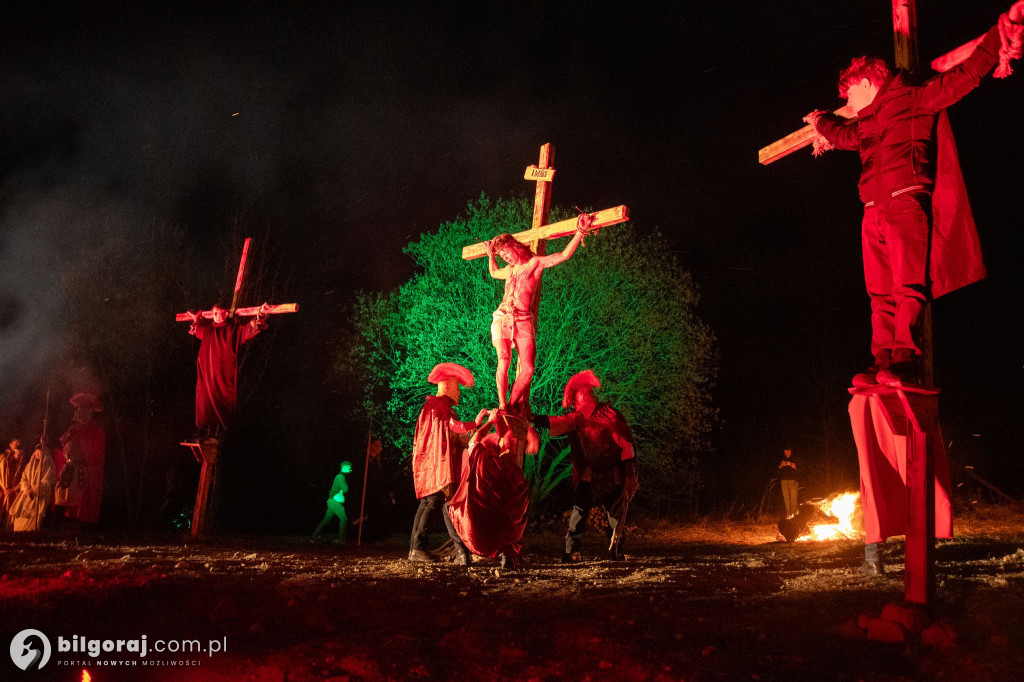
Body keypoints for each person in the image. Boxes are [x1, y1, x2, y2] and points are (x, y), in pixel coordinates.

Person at [803, 3, 1024, 386]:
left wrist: (1002, 29)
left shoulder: (914, 98)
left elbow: (967, 74)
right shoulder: (868, 123)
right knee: (878, 292)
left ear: (867, 83)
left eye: (850, 94)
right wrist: (820, 121)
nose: (849, 104)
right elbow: (842, 136)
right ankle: (882, 360)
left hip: (906, 202)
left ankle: (905, 356)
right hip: (872, 209)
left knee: (907, 284)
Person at [484, 212, 594, 415]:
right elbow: (493, 273)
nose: (506, 257)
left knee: (528, 369)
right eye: (502, 256)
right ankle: (501, 404)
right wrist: (491, 256)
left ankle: (511, 403)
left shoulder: (535, 263)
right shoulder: (509, 270)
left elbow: (562, 255)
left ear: (514, 245)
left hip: (523, 318)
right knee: (504, 358)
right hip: (502, 316)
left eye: (506, 252)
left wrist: (580, 231)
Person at [532, 370, 638, 562]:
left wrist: (630, 474)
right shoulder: (577, 419)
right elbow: (558, 421)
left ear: (589, 397)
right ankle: (571, 551)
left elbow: (626, 445)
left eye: (581, 398)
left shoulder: (610, 415)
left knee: (614, 513)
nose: (578, 403)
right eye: (577, 400)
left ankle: (616, 549)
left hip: (612, 473)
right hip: (590, 473)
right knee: (579, 511)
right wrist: (534, 419)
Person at [407, 363, 487, 562]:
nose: (459, 393)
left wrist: (480, 435)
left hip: (428, 461)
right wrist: (475, 423)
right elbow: (454, 428)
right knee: (434, 502)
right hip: (435, 463)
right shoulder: (440, 407)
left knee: (427, 502)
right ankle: (418, 548)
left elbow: (454, 436)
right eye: (458, 388)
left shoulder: (433, 406)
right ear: (450, 387)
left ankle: (415, 549)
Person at [443, 410, 537, 568]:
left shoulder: (482, 459)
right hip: (506, 538)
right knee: (506, 520)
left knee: (448, 507)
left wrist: (490, 421)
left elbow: (474, 440)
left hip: (480, 536)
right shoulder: (515, 472)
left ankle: (462, 554)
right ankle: (507, 554)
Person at [186, 303, 272, 436]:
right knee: (204, 402)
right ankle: (202, 432)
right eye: (213, 313)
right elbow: (198, 328)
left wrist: (260, 315)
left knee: (219, 403)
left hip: (221, 376)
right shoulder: (208, 330)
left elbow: (248, 329)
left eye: (216, 313)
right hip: (205, 375)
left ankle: (215, 435)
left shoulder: (232, 331)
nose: (213, 316)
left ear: (225, 314)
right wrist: (196, 318)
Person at [55, 393, 106, 525]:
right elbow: (62, 444)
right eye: (78, 410)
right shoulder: (73, 428)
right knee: (62, 496)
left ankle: (78, 526)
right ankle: (60, 526)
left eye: (82, 410)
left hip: (83, 470)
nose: (78, 412)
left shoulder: (95, 430)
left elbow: (95, 453)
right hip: (70, 468)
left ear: (89, 412)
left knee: (79, 500)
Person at [8, 439, 56, 532]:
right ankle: (20, 531)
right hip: (27, 494)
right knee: (22, 513)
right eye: (37, 453)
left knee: (35, 515)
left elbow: (47, 482)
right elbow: (24, 479)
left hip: (39, 495)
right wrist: (27, 488)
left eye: (40, 453)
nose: (38, 455)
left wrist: (34, 489)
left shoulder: (49, 466)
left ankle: (33, 531)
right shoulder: (30, 465)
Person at [312, 461, 353, 542]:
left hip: (332, 501)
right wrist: (343, 490)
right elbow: (346, 489)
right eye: (349, 468)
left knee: (326, 520)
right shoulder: (340, 477)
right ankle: (341, 540)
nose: (351, 469)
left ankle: (313, 537)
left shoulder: (340, 476)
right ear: (344, 467)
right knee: (344, 519)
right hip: (335, 502)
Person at [1, 439, 26, 529]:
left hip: (16, 491)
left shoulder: (22, 464)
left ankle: (10, 527)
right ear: (10, 445)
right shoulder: (5, 460)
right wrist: (5, 488)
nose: (17, 455)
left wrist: (12, 489)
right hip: (5, 489)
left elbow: (23, 479)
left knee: (14, 509)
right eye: (15, 443)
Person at [777, 448, 799, 518]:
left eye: (788, 451)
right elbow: (775, 473)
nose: (787, 453)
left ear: (791, 451)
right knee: (786, 499)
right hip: (784, 482)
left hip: (793, 481)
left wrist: (795, 467)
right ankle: (788, 515)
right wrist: (780, 466)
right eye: (785, 451)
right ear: (783, 451)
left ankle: (794, 515)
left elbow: (802, 472)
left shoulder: (795, 459)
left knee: (793, 499)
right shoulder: (780, 459)